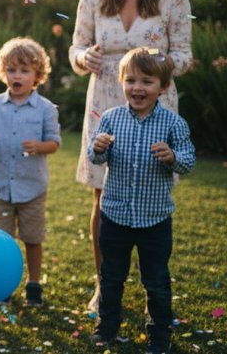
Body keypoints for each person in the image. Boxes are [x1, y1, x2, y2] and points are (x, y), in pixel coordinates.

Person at [69, 0, 193, 310]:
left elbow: (185, 56)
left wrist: (149, 74)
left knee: (151, 198)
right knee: (103, 199)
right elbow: (75, 49)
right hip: (103, 105)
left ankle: (152, 286)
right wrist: (82, 57)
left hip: (156, 108)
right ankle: (106, 286)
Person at [88, 47, 195, 354]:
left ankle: (160, 334)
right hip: (115, 216)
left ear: (163, 87)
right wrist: (98, 146)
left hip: (155, 219)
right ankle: (106, 327)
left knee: (157, 281)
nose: (137, 88)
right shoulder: (111, 118)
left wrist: (173, 157)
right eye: (131, 80)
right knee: (111, 277)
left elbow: (188, 162)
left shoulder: (173, 124)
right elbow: (95, 157)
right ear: (122, 82)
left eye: (147, 81)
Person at [0, 37, 61, 306]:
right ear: (3, 72)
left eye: (24, 71)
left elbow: (54, 143)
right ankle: (3, 283)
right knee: (1, 241)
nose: (17, 76)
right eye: (12, 70)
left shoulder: (46, 109)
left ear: (37, 75)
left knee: (32, 238)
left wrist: (40, 146)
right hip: (1, 185)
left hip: (31, 187)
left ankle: (33, 283)